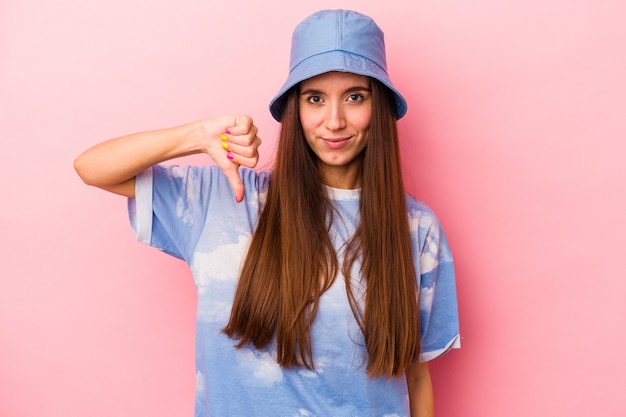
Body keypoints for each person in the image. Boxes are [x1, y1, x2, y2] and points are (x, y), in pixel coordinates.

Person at [74, 9, 460, 417]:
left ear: (378, 107)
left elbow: (415, 377)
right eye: (315, 98)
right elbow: (92, 167)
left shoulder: (416, 228)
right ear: (294, 109)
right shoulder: (225, 198)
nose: (334, 121)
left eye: (354, 97)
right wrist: (197, 136)